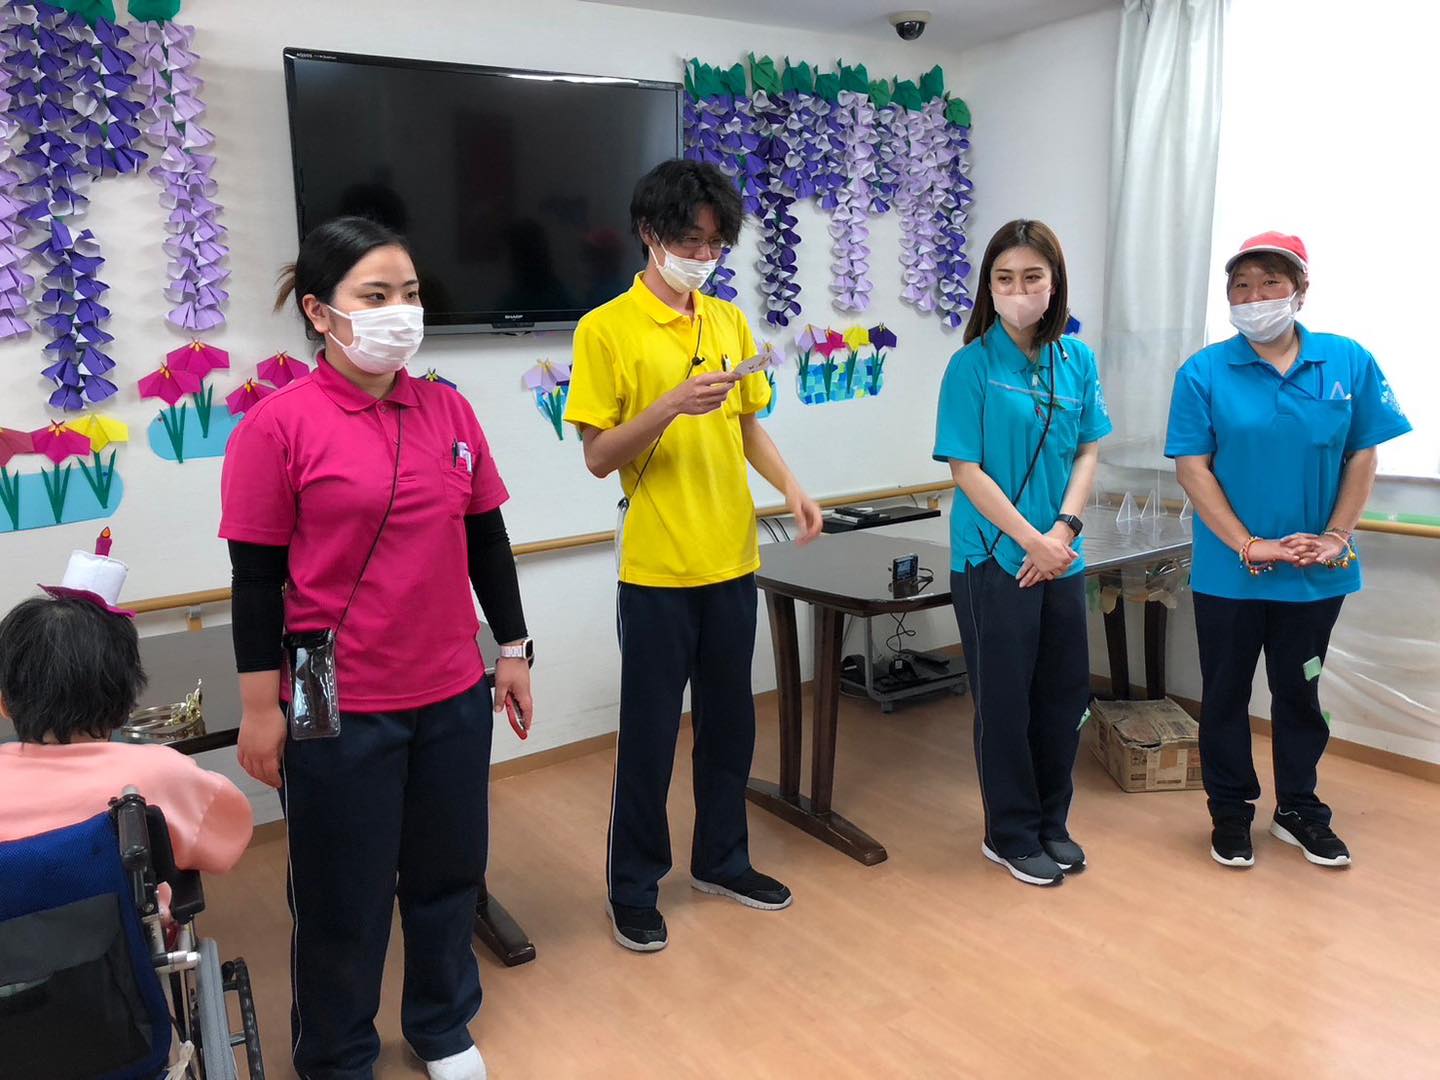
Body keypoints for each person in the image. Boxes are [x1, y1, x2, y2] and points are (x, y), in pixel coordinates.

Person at [220, 216, 533, 1080]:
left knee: (448, 874)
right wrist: (259, 708)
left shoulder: (449, 409)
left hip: (451, 690)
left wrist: (513, 648)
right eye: (376, 295)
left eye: (411, 293)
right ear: (320, 313)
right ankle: (336, 1052)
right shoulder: (277, 427)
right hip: (334, 699)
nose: (401, 311)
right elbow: (254, 581)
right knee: (341, 893)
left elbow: (486, 538)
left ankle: (441, 1025)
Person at [565, 159, 823, 952]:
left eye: (715, 244)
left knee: (731, 727)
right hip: (656, 570)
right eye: (689, 242)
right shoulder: (605, 328)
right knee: (648, 738)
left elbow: (746, 425)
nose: (703, 257)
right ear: (649, 234)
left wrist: (792, 486)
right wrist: (670, 405)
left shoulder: (728, 321)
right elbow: (597, 456)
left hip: (732, 559)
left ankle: (722, 861)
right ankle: (633, 888)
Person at [1165, 231, 1411, 870]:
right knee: (1224, 694)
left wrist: (1335, 537)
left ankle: (1298, 809)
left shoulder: (1346, 361)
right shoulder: (1204, 372)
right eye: (1241, 286)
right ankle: (1230, 811)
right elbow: (1193, 469)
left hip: (1314, 574)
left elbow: (1363, 455)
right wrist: (1249, 543)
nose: (1255, 297)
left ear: (1300, 291)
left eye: (1270, 282)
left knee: (1299, 691)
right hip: (1231, 572)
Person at [933, 219, 1112, 888]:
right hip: (992, 558)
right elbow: (965, 468)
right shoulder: (971, 366)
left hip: (1061, 556)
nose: (1018, 290)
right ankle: (1008, 833)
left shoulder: (1077, 360)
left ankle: (1050, 824)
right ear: (988, 286)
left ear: (1054, 283)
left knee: (1063, 699)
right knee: (1005, 703)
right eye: (1004, 278)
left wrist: (1062, 531)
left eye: (1032, 277)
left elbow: (1088, 449)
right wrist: (1030, 539)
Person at [0, 542, 252, 878]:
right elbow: (227, 840)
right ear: (125, 705)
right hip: (128, 913)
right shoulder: (162, 773)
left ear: (4, 703)